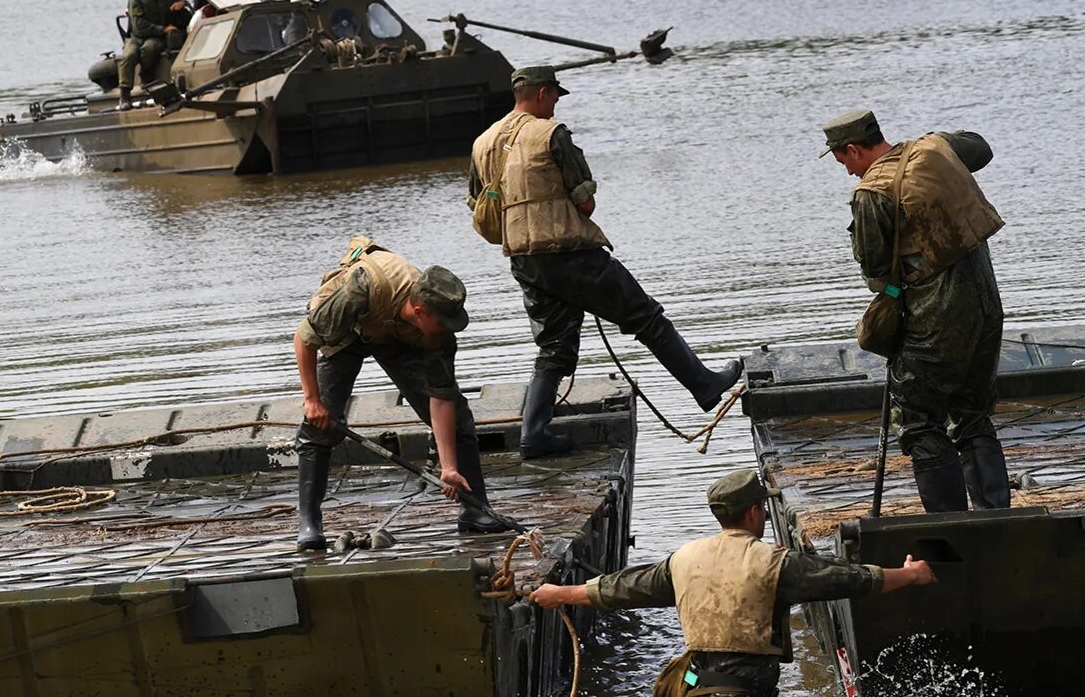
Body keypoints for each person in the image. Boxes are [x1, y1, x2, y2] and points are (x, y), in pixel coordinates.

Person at [468, 66, 743, 459]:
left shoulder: (483, 142)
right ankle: (704, 385)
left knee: (554, 347)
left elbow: (477, 205)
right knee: (646, 318)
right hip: (570, 253)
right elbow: (585, 200)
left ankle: (534, 433)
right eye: (556, 97)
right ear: (543, 93)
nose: (557, 104)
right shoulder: (551, 133)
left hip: (523, 259)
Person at [530, 469, 939, 696]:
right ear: (755, 513)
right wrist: (912, 574)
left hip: (693, 687)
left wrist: (557, 593)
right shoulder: (775, 562)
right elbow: (848, 580)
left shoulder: (683, 559)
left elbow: (623, 588)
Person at [821, 110, 1010, 513]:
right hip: (986, 303)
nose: (849, 173)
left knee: (922, 421)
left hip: (935, 318)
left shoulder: (872, 192)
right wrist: (937, 140)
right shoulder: (936, 149)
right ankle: (996, 515)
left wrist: (892, 293)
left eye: (844, 162)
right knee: (974, 414)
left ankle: (949, 524)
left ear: (853, 149)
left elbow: (874, 268)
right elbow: (980, 148)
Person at [292, 237, 511, 550]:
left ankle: (474, 508)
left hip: (399, 336)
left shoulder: (437, 334)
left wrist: (448, 468)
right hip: (350, 332)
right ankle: (309, 524)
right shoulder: (361, 289)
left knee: (459, 417)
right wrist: (312, 401)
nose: (448, 329)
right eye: (442, 323)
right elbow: (304, 339)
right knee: (320, 425)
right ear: (420, 311)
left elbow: (440, 397)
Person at [117, 0, 180, 110]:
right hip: (137, 36)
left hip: (155, 38)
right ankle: (125, 95)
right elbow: (138, 25)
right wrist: (162, 29)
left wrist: (180, 6)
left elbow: (183, 16)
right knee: (129, 55)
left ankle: (146, 75)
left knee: (150, 48)